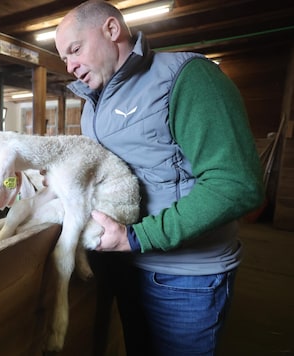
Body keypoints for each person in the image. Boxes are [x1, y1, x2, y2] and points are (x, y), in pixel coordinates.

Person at [54, 1, 264, 355]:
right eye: (64, 59)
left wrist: (138, 237)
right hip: (127, 265)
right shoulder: (93, 104)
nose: (71, 66)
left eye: (75, 50)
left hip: (183, 276)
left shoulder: (186, 77)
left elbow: (236, 183)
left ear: (111, 30)